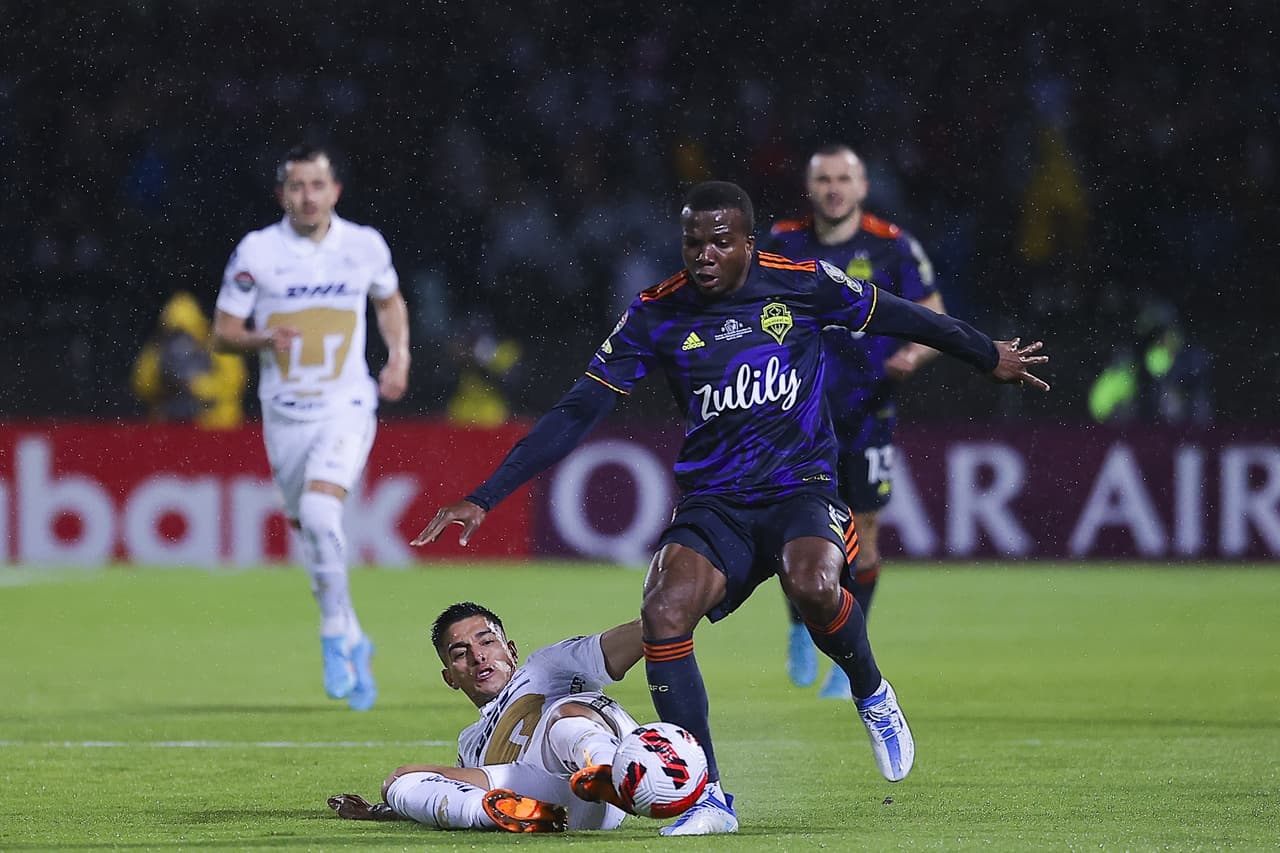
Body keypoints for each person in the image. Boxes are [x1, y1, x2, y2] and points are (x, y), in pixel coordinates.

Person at [413, 181, 1049, 835]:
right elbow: (579, 408)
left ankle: (870, 689)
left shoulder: (800, 282)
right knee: (662, 611)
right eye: (694, 241)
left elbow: (902, 315)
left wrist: (985, 353)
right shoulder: (656, 311)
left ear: (749, 241)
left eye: (721, 241)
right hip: (716, 500)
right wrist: (486, 493)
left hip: (802, 483)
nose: (705, 254)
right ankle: (708, 796)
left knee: (813, 584)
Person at [213, 143, 410, 711]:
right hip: (284, 414)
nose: (307, 196)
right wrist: (260, 339)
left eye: (317, 186)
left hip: (346, 404)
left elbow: (389, 301)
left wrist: (398, 356)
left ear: (335, 191)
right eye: (297, 187)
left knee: (323, 516)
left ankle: (331, 635)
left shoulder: (363, 245)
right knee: (311, 529)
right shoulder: (258, 251)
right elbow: (223, 332)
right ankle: (353, 634)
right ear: (282, 194)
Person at [764, 144, 946, 699]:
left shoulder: (892, 246)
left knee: (862, 541)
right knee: (793, 536)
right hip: (796, 416)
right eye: (824, 179)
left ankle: (848, 659)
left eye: (844, 178)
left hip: (868, 413)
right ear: (810, 187)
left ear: (862, 186)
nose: (834, 188)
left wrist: (914, 355)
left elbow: (934, 313)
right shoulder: (783, 243)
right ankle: (799, 625)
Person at [327, 601, 650, 833]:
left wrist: (672, 609)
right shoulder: (470, 742)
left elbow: (636, 637)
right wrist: (382, 810)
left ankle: (611, 773)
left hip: (607, 765)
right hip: (556, 803)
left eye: (487, 642)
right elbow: (446, 798)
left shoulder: (550, 666)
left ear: (511, 650)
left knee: (565, 713)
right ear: (450, 678)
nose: (478, 656)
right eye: (460, 653)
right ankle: (505, 816)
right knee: (399, 779)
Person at [130, 290, 247, 429]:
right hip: (170, 422)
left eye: (185, 330)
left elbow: (235, 381)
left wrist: (199, 385)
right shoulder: (158, 349)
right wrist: (163, 383)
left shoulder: (216, 346)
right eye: (174, 331)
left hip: (216, 424)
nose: (180, 339)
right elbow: (141, 385)